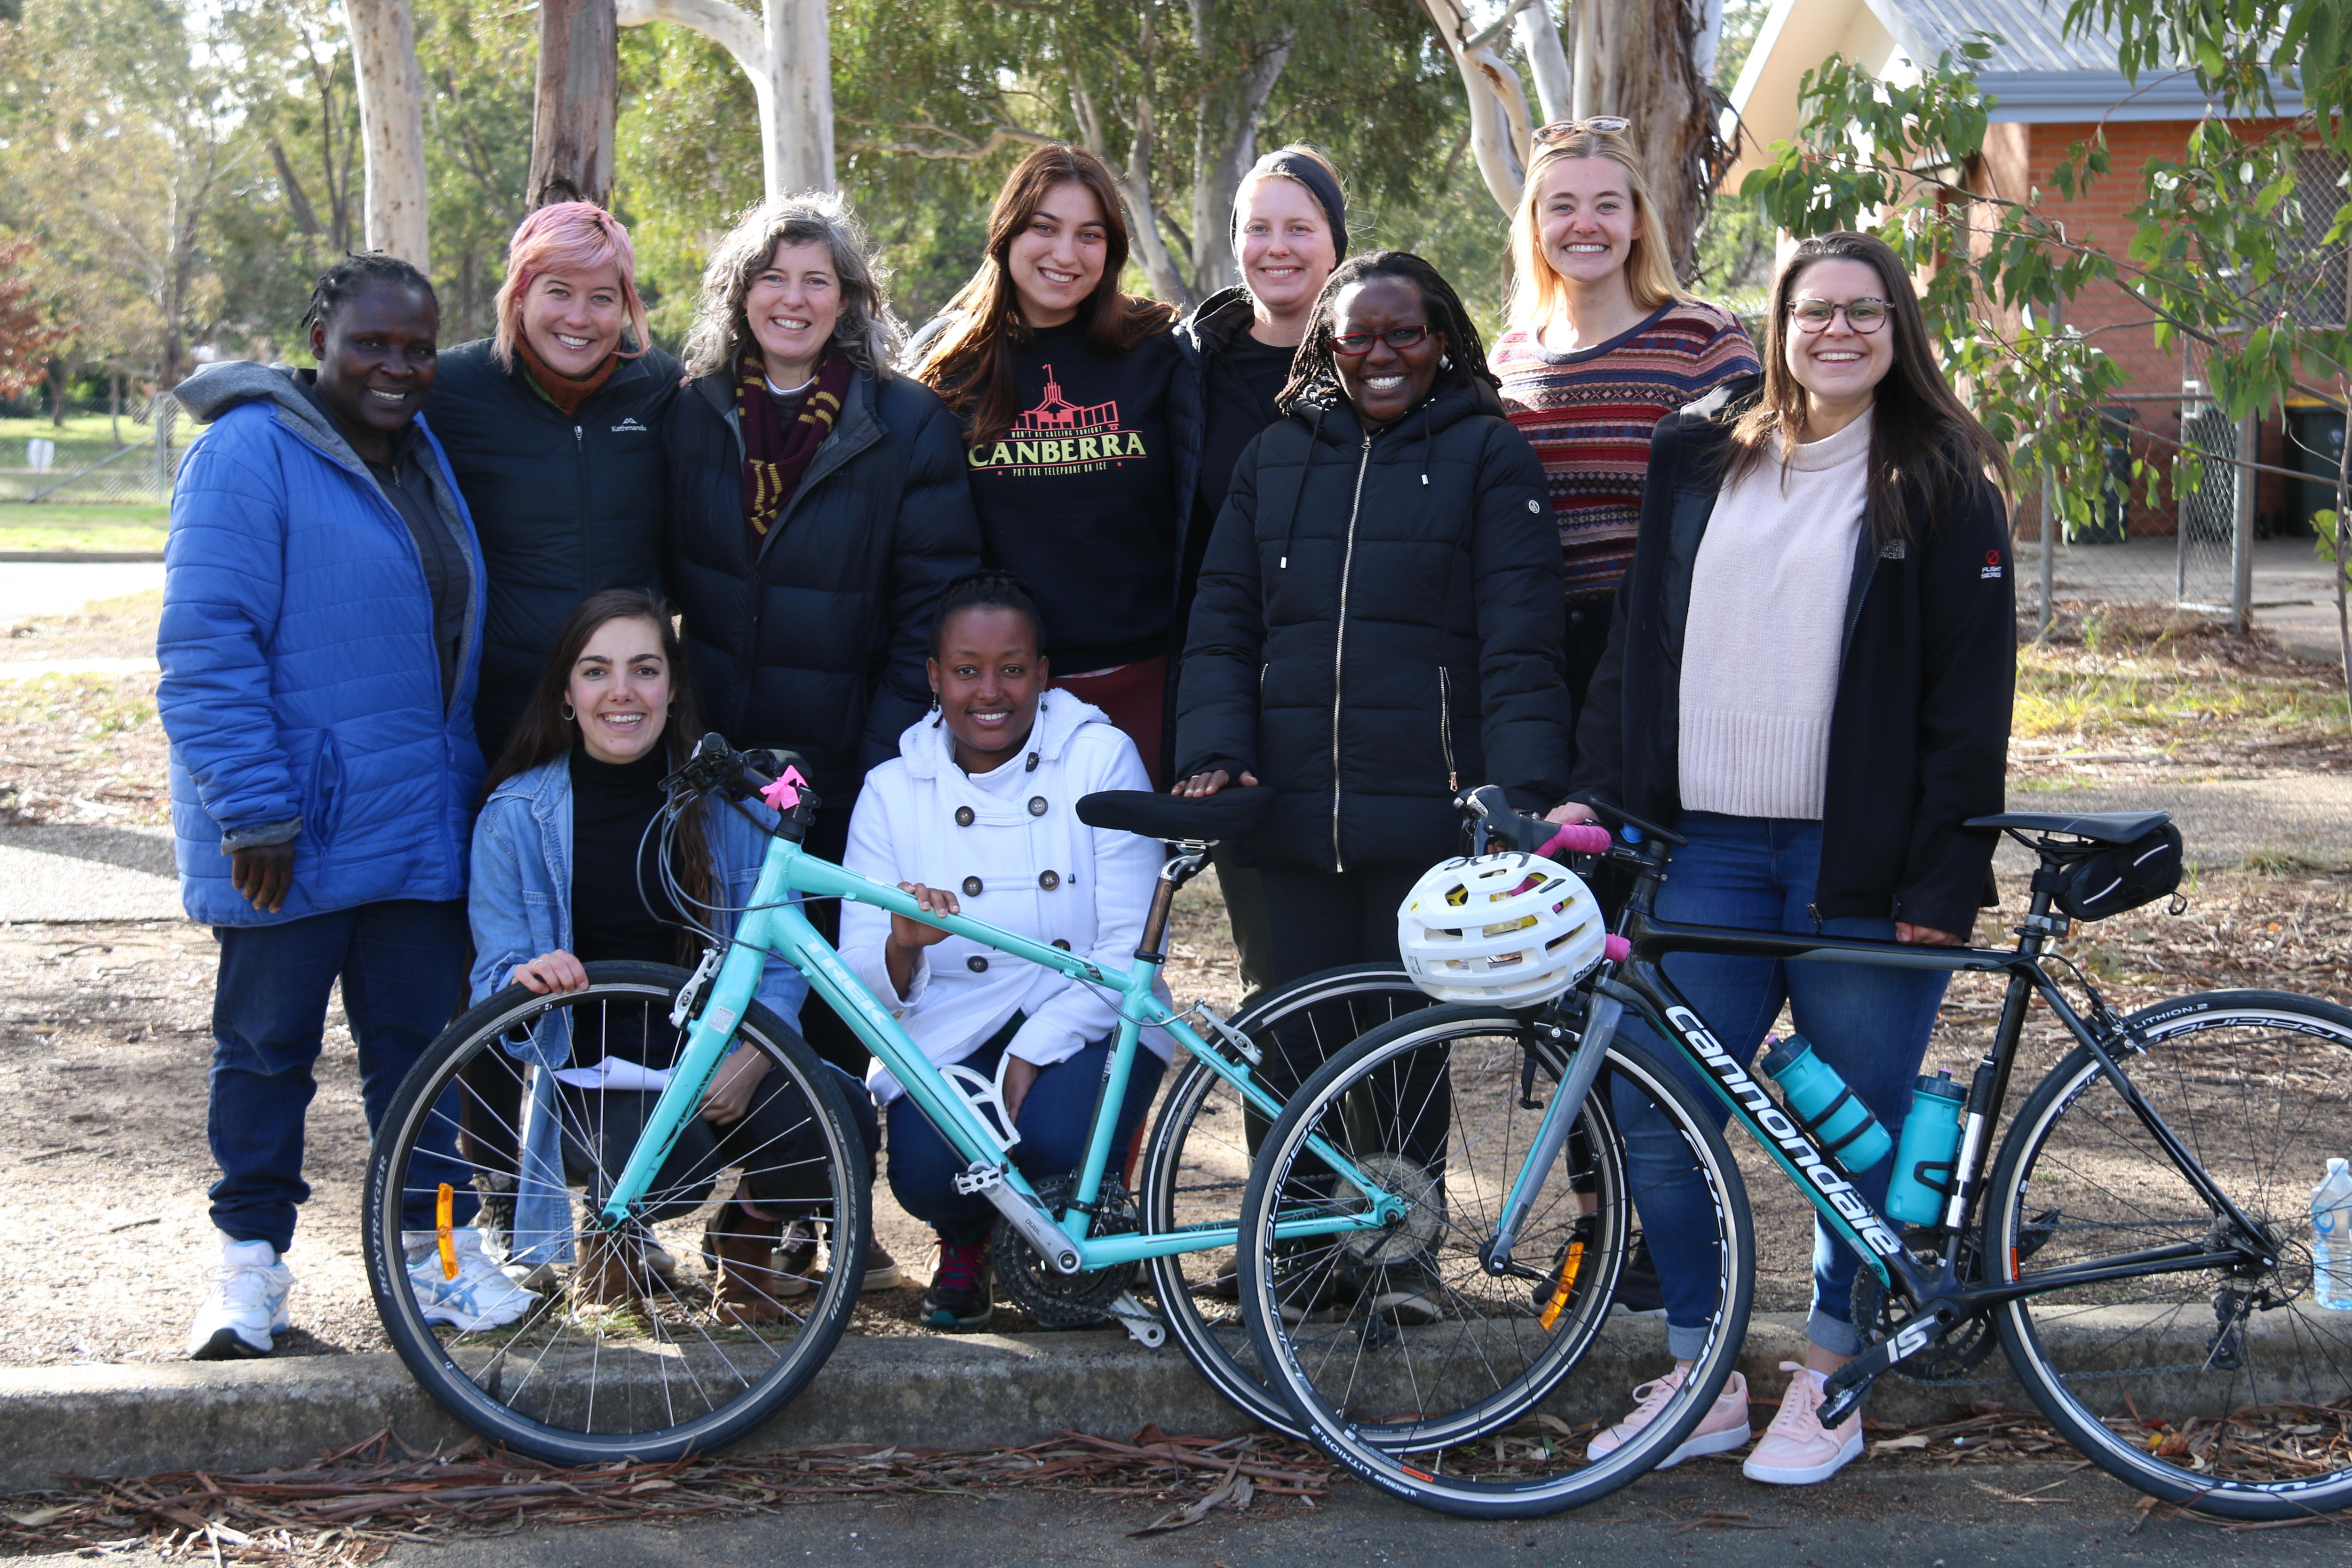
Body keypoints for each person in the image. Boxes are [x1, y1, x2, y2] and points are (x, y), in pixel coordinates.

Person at [1560, 231, 2014, 1485]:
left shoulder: (1939, 480)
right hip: (1706, 849)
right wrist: (1600, 790)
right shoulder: (1700, 453)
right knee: (1659, 1108)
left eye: (1866, 312)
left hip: (1859, 864)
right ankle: (1703, 1373)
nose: (1838, 331)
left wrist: (1941, 883)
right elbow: (1639, 651)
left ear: (1899, 328)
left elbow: (1973, 708)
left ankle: (1830, 1374)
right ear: (1778, 322)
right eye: (1815, 310)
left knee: (1847, 1140)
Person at [1173, 253, 1572, 1320]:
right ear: (1325, 345)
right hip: (1288, 806)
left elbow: (1522, 645)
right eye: (1358, 335)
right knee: (1290, 1036)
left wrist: (1519, 790)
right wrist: (1216, 749)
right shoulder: (1274, 458)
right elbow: (1220, 621)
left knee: (1400, 1039)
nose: (1381, 354)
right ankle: (1298, 1256)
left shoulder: (1488, 456)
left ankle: (1401, 1261)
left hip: (1425, 811)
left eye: (1405, 334)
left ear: (1442, 339)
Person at [162, 253, 517, 1358]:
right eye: (372, 341)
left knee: (422, 1060)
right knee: (265, 1054)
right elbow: (204, 647)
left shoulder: (424, 457)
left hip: (416, 825)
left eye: (418, 347)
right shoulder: (246, 455)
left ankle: (442, 1262)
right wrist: (257, 810)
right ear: (317, 335)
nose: (399, 366)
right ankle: (247, 1276)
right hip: (289, 832)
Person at [466, 589, 878, 1322]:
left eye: (644, 670)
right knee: (655, 1170)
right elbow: (492, 987)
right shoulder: (514, 817)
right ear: (566, 691)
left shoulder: (733, 807)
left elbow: (780, 962)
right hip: (597, 1077)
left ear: (674, 686)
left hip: (709, 1056)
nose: (622, 692)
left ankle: (745, 1239)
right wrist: (526, 984)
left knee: (841, 1113)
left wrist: (749, 1059)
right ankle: (613, 1236)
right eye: (596, 672)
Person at [666, 192, 980, 1112]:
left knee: (841, 978)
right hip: (728, 763)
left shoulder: (904, 421)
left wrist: (871, 751)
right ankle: (760, 1220)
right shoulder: (693, 417)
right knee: (738, 975)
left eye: (818, 281)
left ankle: (839, 1218)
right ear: (741, 294)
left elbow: (935, 604)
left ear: (849, 301)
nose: (794, 299)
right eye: (773, 278)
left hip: (851, 763)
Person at [840, 573, 1171, 1330]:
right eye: (966, 670)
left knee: (1053, 1141)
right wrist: (902, 948)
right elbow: (859, 974)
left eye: (1013, 669)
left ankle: (1093, 1205)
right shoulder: (892, 789)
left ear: (1044, 675)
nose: (991, 692)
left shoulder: (1100, 758)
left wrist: (1034, 1048)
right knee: (929, 1175)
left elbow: (1132, 946)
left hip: (1086, 1012)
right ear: (934, 678)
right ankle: (967, 1240)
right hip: (950, 1023)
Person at [908, 145, 1203, 781]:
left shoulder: (1159, 351)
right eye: (1044, 227)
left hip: (1147, 681)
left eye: (1089, 235)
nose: (1065, 255)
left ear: (1112, 250)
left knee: (1131, 880)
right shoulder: (948, 367)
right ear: (1007, 233)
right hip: (1004, 693)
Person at [1488, 119, 1759, 737]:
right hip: (1537, 661)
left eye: (1607, 205)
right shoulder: (1505, 362)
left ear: (1638, 221)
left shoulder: (1704, 339)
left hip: (1668, 653)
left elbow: (1756, 505)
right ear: (1534, 224)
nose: (1585, 224)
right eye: (1562, 207)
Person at [1173, 144, 1347, 1003]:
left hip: (1372, 709)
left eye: (1300, 227)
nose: (1276, 247)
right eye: (1258, 228)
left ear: (1337, 243)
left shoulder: (1389, 357)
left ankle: (1391, 1151)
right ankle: (1281, 1147)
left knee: (1393, 981)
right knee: (1277, 980)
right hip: (1244, 702)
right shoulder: (1187, 371)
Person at [423, 203, 681, 762]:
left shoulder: (661, 387)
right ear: (519, 294)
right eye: (559, 291)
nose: (580, 318)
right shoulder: (450, 389)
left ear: (627, 305)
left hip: (627, 712)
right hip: (501, 713)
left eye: (603, 298)